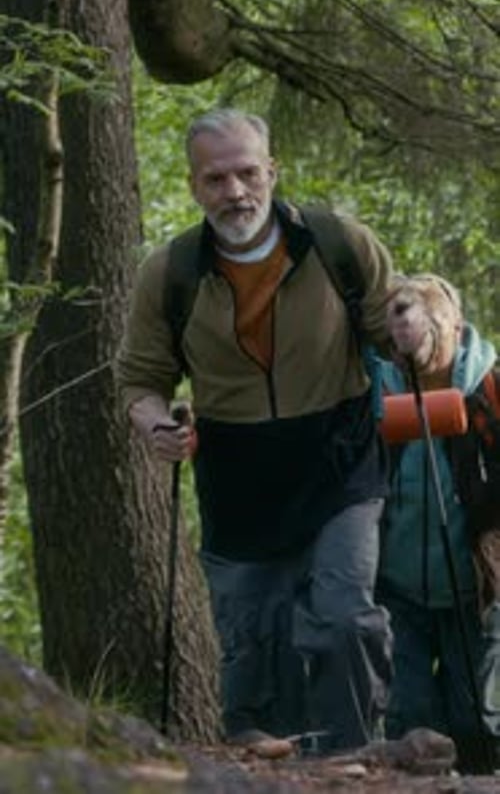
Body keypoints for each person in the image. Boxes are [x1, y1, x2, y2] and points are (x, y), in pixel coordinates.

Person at [115, 107, 395, 753]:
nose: (235, 191)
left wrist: (420, 332)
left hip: (339, 460)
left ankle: (353, 757)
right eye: (216, 179)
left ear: (272, 171)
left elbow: (392, 323)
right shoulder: (172, 272)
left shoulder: (339, 243)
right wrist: (157, 425)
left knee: (346, 617)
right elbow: (140, 379)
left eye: (247, 173)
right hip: (238, 473)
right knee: (253, 645)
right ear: (194, 186)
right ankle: (268, 769)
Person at [378, 273, 500, 772]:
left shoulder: (490, 388)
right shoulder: (376, 390)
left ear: (456, 325)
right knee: (411, 720)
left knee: (473, 721)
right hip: (395, 589)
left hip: (471, 591)